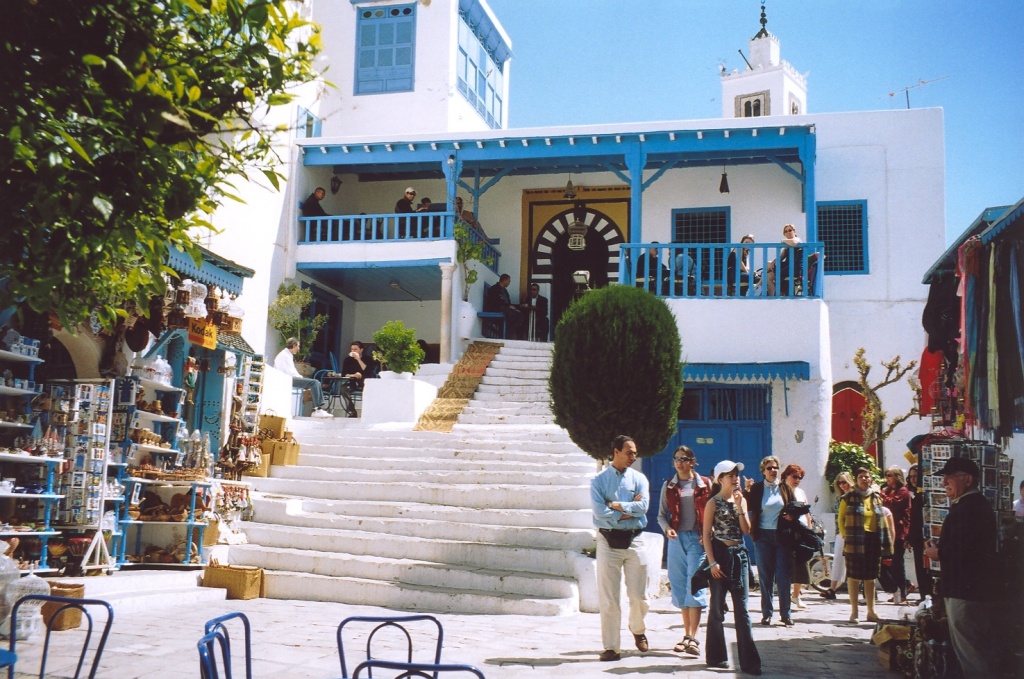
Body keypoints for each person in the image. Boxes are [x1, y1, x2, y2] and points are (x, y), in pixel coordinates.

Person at [923, 457, 998, 678]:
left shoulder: (970, 507)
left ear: (967, 479)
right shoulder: (969, 505)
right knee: (970, 650)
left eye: (950, 476)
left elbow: (966, 551)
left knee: (971, 653)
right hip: (964, 588)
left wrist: (938, 553)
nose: (945, 481)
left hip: (966, 591)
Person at [591, 435, 651, 662]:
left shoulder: (639, 479)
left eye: (635, 452)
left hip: (635, 540)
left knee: (639, 596)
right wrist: (629, 510)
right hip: (608, 542)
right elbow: (600, 514)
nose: (633, 457)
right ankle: (611, 647)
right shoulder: (598, 481)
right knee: (609, 598)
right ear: (615, 451)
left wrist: (616, 506)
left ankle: (637, 629)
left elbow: (644, 506)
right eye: (629, 452)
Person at [703, 460, 761, 675]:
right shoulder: (713, 502)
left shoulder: (741, 501)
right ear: (720, 479)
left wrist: (739, 507)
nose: (735, 478)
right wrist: (712, 562)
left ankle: (749, 662)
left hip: (739, 556)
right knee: (717, 607)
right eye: (730, 474)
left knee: (743, 609)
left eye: (736, 474)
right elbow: (706, 535)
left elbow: (746, 530)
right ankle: (717, 656)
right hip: (719, 554)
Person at [657, 446, 710, 657]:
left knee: (695, 585)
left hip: (697, 541)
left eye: (684, 459)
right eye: (677, 459)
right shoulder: (668, 486)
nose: (680, 463)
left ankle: (693, 638)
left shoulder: (705, 484)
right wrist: (667, 528)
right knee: (679, 586)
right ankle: (686, 635)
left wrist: (709, 531)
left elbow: (714, 509)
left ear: (693, 461)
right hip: (677, 540)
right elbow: (661, 515)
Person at [744, 456, 793, 626]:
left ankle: (786, 614)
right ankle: (767, 613)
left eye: (775, 468)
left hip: (782, 536)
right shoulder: (757, 488)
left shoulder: (785, 487)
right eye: (769, 468)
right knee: (765, 576)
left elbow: (795, 506)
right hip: (762, 536)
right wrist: (747, 491)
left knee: (783, 575)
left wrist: (792, 515)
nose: (773, 471)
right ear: (763, 471)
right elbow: (746, 506)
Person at [839, 467, 892, 624]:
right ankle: (854, 612)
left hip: (872, 540)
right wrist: (844, 535)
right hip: (854, 539)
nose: (864, 479)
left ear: (871, 479)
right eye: (861, 477)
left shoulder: (876, 497)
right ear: (856, 479)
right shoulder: (848, 497)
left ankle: (871, 611)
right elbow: (840, 519)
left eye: (867, 477)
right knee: (854, 577)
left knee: (870, 577)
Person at [779, 464, 812, 610]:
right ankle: (784, 597)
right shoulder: (780, 491)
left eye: (800, 477)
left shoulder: (801, 492)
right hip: (787, 533)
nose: (797, 480)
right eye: (794, 476)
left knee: (802, 564)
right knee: (786, 565)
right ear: (786, 476)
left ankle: (796, 595)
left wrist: (809, 530)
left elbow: (807, 513)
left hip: (801, 532)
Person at [273, 337, 330, 418]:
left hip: (287, 378)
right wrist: (302, 379)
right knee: (315, 383)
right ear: (294, 345)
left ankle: (318, 409)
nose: (298, 348)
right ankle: (317, 409)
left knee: (315, 383)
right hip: (287, 379)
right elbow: (290, 372)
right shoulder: (285, 355)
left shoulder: (286, 354)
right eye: (298, 346)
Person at [880, 465, 913, 604]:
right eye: (886, 475)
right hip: (887, 530)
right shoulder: (889, 490)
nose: (887, 478)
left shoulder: (903, 491)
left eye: (890, 475)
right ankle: (903, 587)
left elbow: (893, 505)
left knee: (897, 563)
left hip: (898, 531)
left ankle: (902, 593)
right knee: (887, 564)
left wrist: (881, 494)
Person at [821, 472, 854, 600]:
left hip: (851, 532)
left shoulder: (852, 497)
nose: (842, 485)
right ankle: (833, 588)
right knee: (838, 560)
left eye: (844, 482)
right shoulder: (839, 498)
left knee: (853, 562)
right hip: (840, 533)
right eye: (839, 483)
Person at [905, 464, 932, 601]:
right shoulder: (912, 495)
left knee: (928, 569)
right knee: (920, 569)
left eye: (916, 476)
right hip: (916, 538)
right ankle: (924, 596)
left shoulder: (924, 496)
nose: (913, 479)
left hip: (926, 537)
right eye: (911, 477)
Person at [484, 274, 525, 340]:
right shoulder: (494, 288)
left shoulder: (505, 291)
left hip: (505, 309)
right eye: (509, 281)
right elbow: (496, 302)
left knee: (520, 314)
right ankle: (507, 333)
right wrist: (509, 306)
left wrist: (519, 306)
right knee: (519, 316)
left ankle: (508, 333)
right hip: (496, 309)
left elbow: (508, 303)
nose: (509, 283)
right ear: (505, 280)